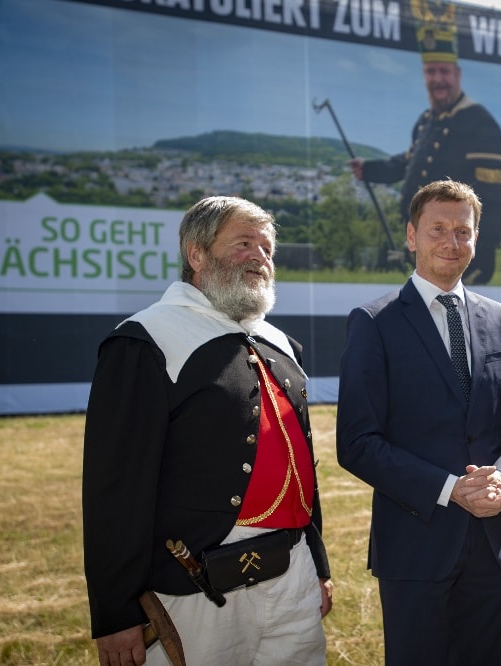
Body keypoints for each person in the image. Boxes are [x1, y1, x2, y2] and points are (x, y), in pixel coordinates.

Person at [83, 196, 333, 665]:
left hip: (291, 568)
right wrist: (115, 611)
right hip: (194, 581)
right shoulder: (146, 340)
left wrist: (317, 566)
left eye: (267, 247)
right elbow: (114, 487)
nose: (260, 257)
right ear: (196, 254)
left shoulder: (281, 343)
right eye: (243, 243)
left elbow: (302, 466)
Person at [335, 179, 501, 665]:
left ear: (476, 239)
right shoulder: (374, 322)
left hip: (494, 548)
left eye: (464, 231)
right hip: (415, 547)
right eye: (438, 229)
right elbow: (358, 442)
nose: (452, 242)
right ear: (411, 236)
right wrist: (450, 487)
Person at [348, 4, 501, 286]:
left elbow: (494, 201)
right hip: (428, 254)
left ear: (457, 74)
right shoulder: (426, 120)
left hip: (458, 261)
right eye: (431, 71)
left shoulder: (479, 122)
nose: (438, 79)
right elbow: (408, 163)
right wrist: (369, 169)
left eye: (444, 71)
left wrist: (477, 259)